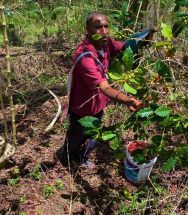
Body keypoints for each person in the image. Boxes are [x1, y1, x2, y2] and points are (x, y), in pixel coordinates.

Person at [55, 11, 154, 167]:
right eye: (98, 27)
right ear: (88, 30)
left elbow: (125, 46)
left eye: (106, 26)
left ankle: (78, 155)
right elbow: (105, 87)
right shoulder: (85, 56)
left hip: (98, 104)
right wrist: (127, 99)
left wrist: (144, 38)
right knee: (76, 135)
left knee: (90, 133)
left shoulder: (106, 43)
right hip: (83, 107)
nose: (104, 31)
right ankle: (65, 156)